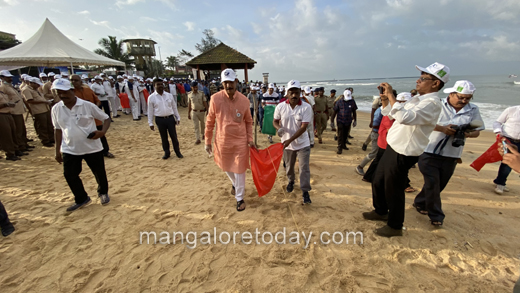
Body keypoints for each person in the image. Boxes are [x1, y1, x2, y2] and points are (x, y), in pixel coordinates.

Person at [363, 62, 449, 237]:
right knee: (378, 180)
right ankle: (380, 211)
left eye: (423, 78)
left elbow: (403, 117)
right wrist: (386, 99)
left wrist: (392, 97)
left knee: (393, 188)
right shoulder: (418, 99)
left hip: (404, 151)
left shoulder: (431, 103)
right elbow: (391, 113)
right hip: (393, 146)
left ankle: (395, 225)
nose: (418, 81)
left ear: (436, 83)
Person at [413, 80, 483, 226]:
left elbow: (477, 131)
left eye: (467, 98)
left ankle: (419, 202)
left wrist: (466, 133)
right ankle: (436, 216)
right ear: (451, 94)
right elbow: (422, 123)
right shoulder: (436, 104)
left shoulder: (473, 109)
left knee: (439, 185)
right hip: (428, 150)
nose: (464, 101)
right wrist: (443, 129)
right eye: (461, 97)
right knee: (433, 183)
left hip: (452, 154)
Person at [51, 79, 111, 212]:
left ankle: (103, 193)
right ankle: (81, 198)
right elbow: (58, 130)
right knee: (69, 175)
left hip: (92, 147)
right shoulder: (56, 109)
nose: (62, 95)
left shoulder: (87, 105)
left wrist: (102, 132)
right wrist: (57, 151)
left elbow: (106, 118)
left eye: (65, 92)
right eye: (58, 92)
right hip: (69, 148)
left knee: (99, 172)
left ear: (72, 91)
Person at [205, 69, 255, 212]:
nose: (228, 86)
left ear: (236, 82)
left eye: (231, 82)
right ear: (222, 83)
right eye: (225, 83)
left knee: (239, 169)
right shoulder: (215, 99)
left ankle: (239, 198)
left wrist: (250, 139)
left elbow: (248, 121)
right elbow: (210, 121)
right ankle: (234, 183)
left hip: (240, 141)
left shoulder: (244, 100)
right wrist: (207, 141)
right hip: (222, 141)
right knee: (226, 166)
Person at [273, 80, 313, 204]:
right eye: (291, 92)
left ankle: (305, 191)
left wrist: (289, 140)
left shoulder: (306, 107)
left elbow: (303, 128)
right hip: (286, 144)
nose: (294, 95)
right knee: (289, 167)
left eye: (296, 92)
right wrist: (279, 128)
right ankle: (291, 181)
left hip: (303, 143)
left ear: (300, 93)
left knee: (304, 168)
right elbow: (275, 121)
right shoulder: (280, 106)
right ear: (287, 93)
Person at [71, 75, 115, 158]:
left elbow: (97, 100)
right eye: (71, 80)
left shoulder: (88, 90)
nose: (73, 82)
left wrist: (94, 108)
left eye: (76, 80)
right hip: (80, 118)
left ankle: (105, 151)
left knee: (100, 133)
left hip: (94, 117)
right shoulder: (71, 93)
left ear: (80, 81)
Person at [147, 78, 183, 159]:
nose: (160, 86)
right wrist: (150, 123)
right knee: (164, 137)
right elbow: (150, 111)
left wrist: (178, 117)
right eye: (158, 84)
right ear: (154, 86)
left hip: (170, 119)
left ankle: (178, 152)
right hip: (160, 120)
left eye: (161, 84)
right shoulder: (151, 97)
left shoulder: (169, 95)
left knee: (174, 136)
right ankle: (167, 153)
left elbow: (174, 107)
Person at [0, 70, 32, 151]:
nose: (10, 79)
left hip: (18, 109)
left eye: (10, 77)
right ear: (2, 78)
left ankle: (23, 144)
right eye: (8, 77)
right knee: (17, 130)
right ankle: (20, 146)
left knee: (22, 128)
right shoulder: (3, 87)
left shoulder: (9, 86)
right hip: (12, 111)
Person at [492, 104, 520, 194]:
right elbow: (497, 122)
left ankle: (499, 181)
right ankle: (500, 183)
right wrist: (498, 132)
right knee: (507, 162)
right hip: (509, 140)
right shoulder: (512, 110)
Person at [22, 77, 54, 147]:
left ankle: (51, 138)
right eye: (37, 84)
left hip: (45, 109)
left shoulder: (35, 89)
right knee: (42, 126)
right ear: (32, 83)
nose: (38, 86)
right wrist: (43, 101)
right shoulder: (26, 90)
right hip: (38, 111)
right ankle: (45, 140)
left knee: (49, 124)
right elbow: (29, 101)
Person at [356, 103, 382, 175]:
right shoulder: (380, 111)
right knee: (373, 153)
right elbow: (375, 124)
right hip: (377, 134)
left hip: (381, 135)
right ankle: (360, 167)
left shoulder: (386, 111)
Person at [331, 90, 357, 154]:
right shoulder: (339, 102)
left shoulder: (352, 102)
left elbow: (354, 111)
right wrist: (332, 122)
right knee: (340, 134)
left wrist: (355, 120)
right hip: (340, 120)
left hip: (348, 121)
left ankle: (344, 145)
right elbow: (334, 112)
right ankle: (339, 147)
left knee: (346, 134)